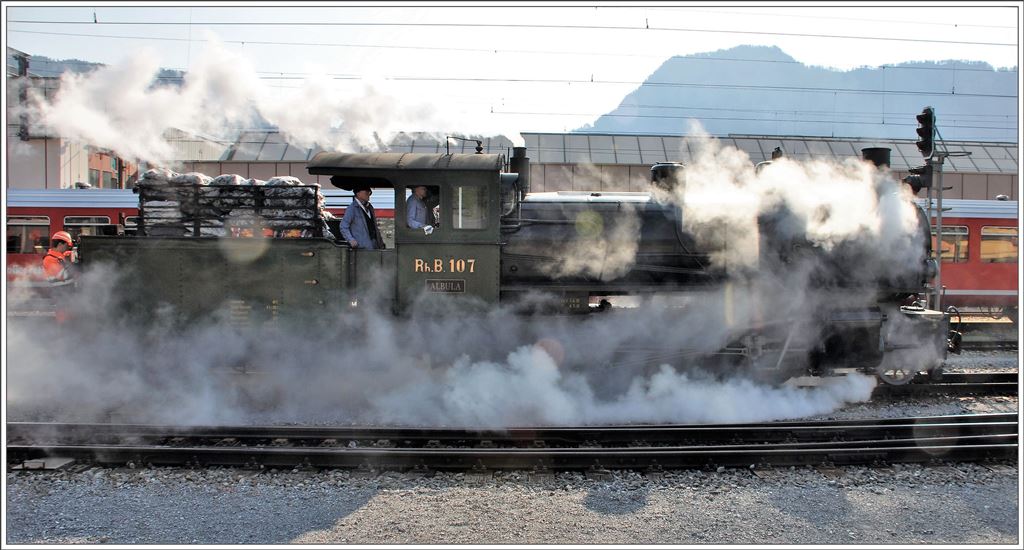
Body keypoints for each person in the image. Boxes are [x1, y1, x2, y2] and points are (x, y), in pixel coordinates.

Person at [340, 185, 385, 249]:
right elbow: (343, 226)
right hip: (362, 248)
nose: (369, 193)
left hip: (375, 246)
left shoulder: (370, 207)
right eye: (366, 191)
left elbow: (374, 226)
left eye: (369, 191)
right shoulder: (352, 208)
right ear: (358, 193)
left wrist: (381, 243)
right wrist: (351, 240)